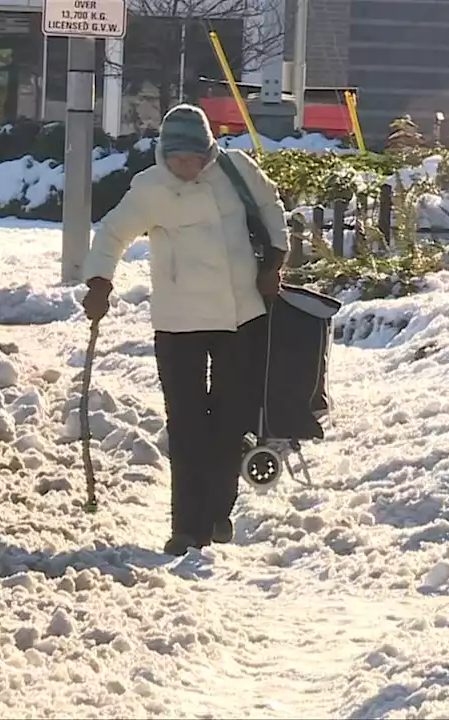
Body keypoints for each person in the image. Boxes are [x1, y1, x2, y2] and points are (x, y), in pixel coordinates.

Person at [80, 104, 289, 556]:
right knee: (188, 424)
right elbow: (112, 235)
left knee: (232, 419)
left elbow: (272, 209)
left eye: (196, 157)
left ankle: (218, 511)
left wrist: (274, 262)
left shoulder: (235, 171)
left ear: (209, 150)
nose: (188, 166)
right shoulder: (150, 188)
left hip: (241, 314)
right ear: (164, 155)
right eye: (178, 159)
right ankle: (186, 527)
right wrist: (99, 282)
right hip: (179, 323)